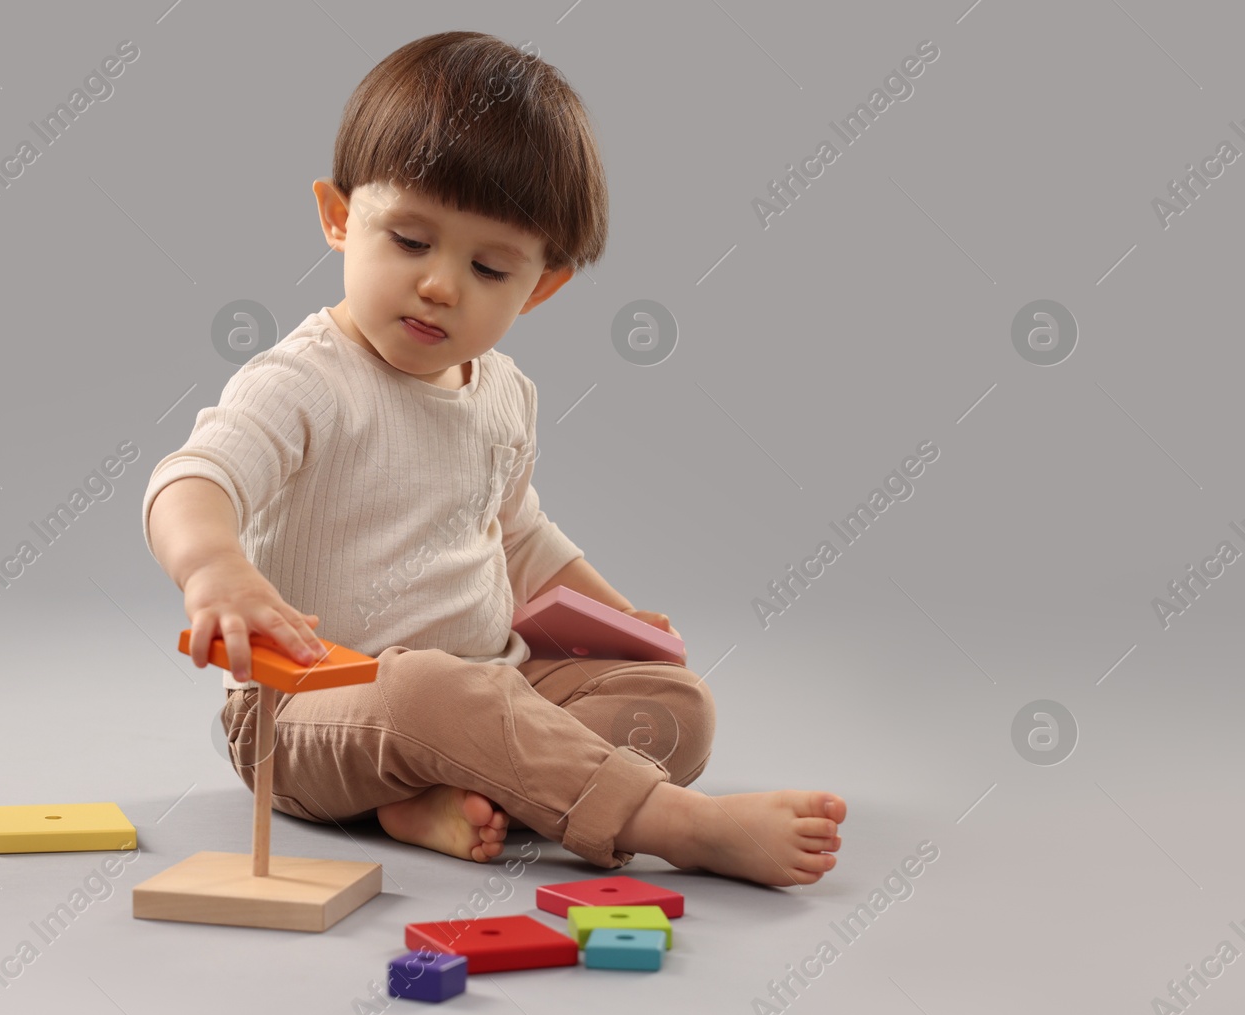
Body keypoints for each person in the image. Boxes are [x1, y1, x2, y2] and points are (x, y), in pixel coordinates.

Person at [142, 31, 844, 883]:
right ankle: (673, 823)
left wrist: (617, 614)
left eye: (487, 265)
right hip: (309, 718)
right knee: (431, 692)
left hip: (488, 687)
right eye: (408, 240)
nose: (441, 283)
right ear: (338, 216)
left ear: (540, 285)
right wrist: (216, 568)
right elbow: (195, 475)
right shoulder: (305, 381)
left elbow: (519, 540)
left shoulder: (503, 394)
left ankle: (440, 796)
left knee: (677, 708)